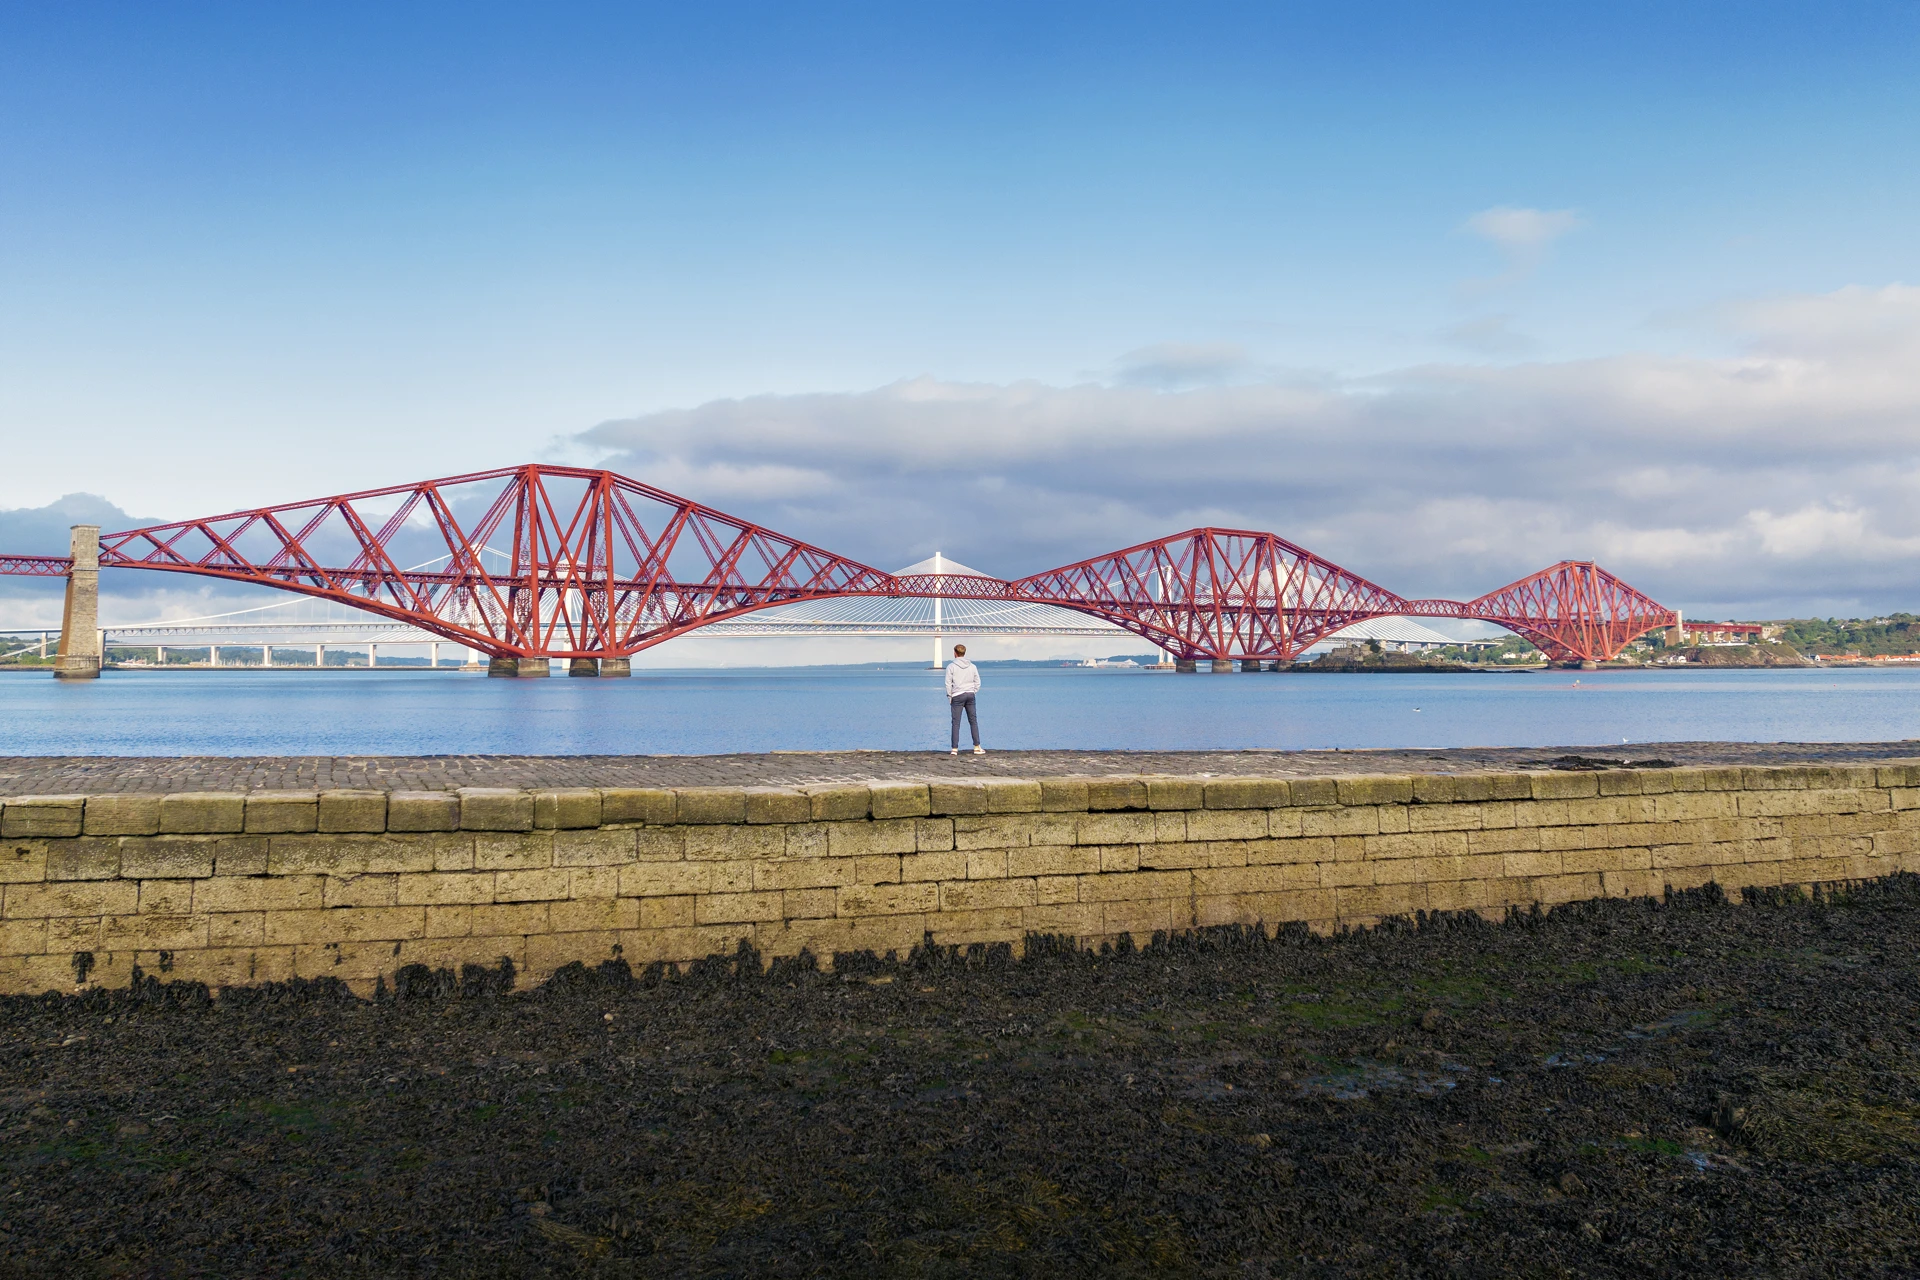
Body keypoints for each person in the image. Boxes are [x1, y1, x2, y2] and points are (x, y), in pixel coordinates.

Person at [944, 643, 983, 754]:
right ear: (964, 653)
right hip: (970, 695)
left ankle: (954, 749)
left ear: (955, 653)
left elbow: (948, 684)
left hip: (957, 695)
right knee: (973, 721)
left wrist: (950, 696)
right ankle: (977, 747)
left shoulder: (951, 666)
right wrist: (973, 691)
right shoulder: (972, 666)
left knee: (956, 723)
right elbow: (978, 682)